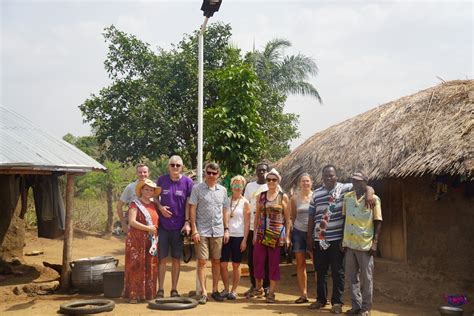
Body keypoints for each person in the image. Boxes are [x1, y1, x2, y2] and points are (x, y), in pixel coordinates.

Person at [307, 165, 375, 314]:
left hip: (337, 239)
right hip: (320, 239)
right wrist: (309, 238)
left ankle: (337, 302)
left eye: (331, 175)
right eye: (326, 176)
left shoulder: (344, 188)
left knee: (338, 272)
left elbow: (365, 185)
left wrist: (369, 193)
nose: (329, 178)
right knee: (321, 270)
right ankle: (321, 299)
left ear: (336, 176)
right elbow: (311, 216)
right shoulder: (316, 194)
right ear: (322, 177)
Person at [342, 172, 382, 316]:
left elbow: (378, 221)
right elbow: (345, 219)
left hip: (365, 244)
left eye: (359, 181)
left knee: (367, 278)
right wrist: (343, 240)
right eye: (353, 181)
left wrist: (375, 242)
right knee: (352, 278)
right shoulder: (348, 198)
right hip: (350, 243)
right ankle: (356, 306)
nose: (355, 184)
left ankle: (366, 308)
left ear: (365, 182)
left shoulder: (374, 199)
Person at [189, 162, 230, 304]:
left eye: (214, 173)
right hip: (202, 230)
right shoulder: (197, 189)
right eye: (209, 172)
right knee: (202, 261)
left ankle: (215, 290)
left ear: (218, 175)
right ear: (205, 173)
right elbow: (192, 208)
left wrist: (226, 229)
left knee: (217, 261)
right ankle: (204, 292)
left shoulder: (223, 191)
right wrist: (194, 229)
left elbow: (225, 210)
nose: (211, 175)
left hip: (218, 230)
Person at [155, 155, 194, 298]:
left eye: (178, 165)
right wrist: (160, 207)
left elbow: (189, 204)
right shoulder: (161, 180)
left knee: (176, 259)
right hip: (163, 227)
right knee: (162, 259)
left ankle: (174, 289)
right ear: (168, 166)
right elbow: (154, 198)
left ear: (182, 167)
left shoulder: (188, 182)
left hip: (179, 227)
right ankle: (160, 289)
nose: (175, 167)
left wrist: (187, 222)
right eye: (172, 165)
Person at [251, 168, 290, 303]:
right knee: (258, 261)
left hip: (275, 234)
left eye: (274, 180)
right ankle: (259, 287)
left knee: (273, 264)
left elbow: (287, 218)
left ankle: (271, 293)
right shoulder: (261, 196)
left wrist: (287, 236)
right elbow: (257, 216)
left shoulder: (282, 196)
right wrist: (255, 233)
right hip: (261, 233)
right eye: (269, 180)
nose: (271, 182)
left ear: (278, 181)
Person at [123, 179, 161, 303]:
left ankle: (148, 294)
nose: (148, 192)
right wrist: (148, 228)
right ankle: (134, 295)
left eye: (151, 190)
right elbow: (132, 222)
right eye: (146, 189)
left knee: (150, 265)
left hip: (151, 241)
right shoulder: (134, 204)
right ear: (141, 190)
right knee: (136, 266)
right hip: (137, 240)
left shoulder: (154, 205)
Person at [220, 175, 250, 300]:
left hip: (239, 236)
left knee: (236, 265)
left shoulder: (245, 202)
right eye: (235, 185)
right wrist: (226, 230)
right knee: (223, 264)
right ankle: (226, 288)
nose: (237, 188)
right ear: (231, 187)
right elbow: (225, 216)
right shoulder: (226, 200)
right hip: (227, 235)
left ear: (243, 187)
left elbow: (247, 222)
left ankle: (234, 290)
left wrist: (244, 240)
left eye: (240, 185)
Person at [243, 162, 271, 297]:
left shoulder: (271, 185)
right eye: (259, 170)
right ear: (256, 172)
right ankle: (254, 284)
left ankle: (266, 286)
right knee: (251, 259)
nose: (261, 173)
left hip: (267, 228)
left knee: (266, 258)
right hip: (253, 227)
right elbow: (246, 205)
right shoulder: (249, 186)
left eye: (264, 170)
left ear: (268, 172)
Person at [290, 173, 313, 304]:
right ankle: (303, 294)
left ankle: (321, 296)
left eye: (307, 181)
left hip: (312, 233)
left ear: (311, 183)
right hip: (298, 232)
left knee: (317, 264)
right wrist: (289, 235)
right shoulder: (294, 199)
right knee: (300, 264)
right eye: (303, 181)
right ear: (300, 183)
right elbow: (292, 217)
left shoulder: (315, 196)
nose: (305, 183)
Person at [116, 164, 150, 234]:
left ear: (149, 173)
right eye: (140, 172)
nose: (142, 174)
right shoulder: (130, 187)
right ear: (136, 173)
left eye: (145, 172)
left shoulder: (154, 187)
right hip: (134, 226)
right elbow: (119, 206)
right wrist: (123, 223)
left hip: (150, 226)